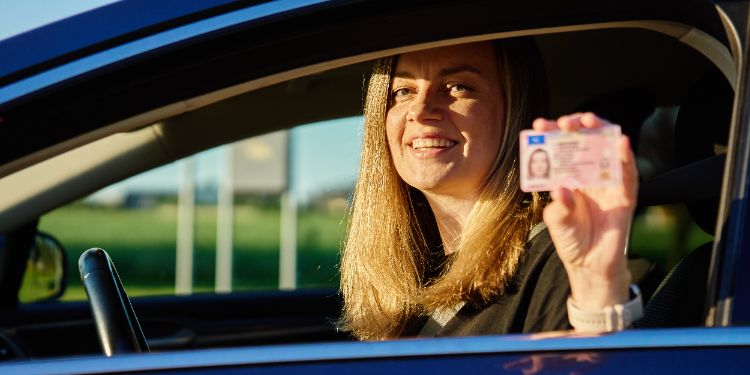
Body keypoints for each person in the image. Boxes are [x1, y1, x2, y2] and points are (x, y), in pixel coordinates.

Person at [338, 38, 638, 340]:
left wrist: (597, 291)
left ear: (515, 111)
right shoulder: (414, 276)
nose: (421, 110)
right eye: (403, 92)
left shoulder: (559, 259)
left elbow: (592, 362)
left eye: (459, 87)